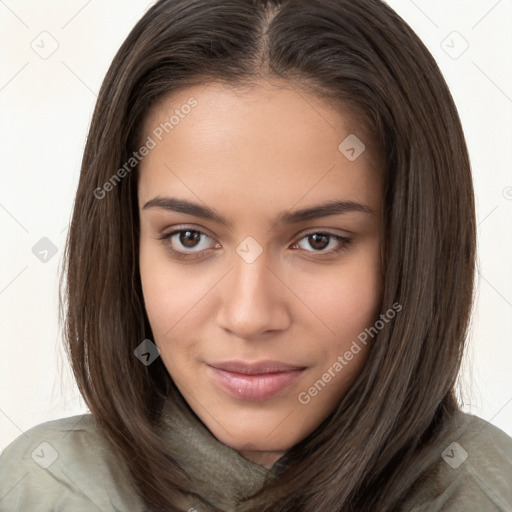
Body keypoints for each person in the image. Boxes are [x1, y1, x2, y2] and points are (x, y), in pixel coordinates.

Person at [1, 0, 511, 510]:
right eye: (189, 238)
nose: (248, 316)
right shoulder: (39, 492)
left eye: (319, 241)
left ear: (416, 250)